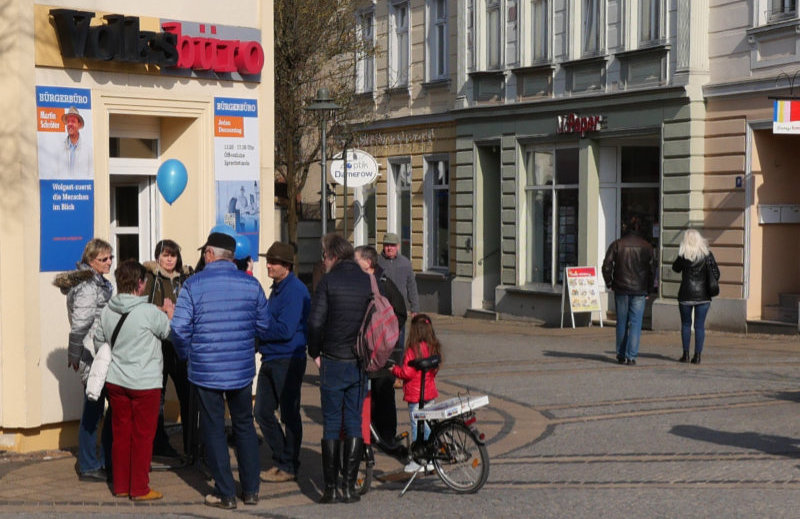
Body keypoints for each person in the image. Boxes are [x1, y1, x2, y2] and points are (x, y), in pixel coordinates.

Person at [171, 232, 270, 509]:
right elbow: (265, 326)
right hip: (240, 368)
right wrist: (248, 345)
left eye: (205, 252)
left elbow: (178, 329)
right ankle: (250, 491)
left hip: (205, 369)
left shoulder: (193, 285)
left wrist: (186, 354)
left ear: (210, 255)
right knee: (244, 426)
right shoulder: (251, 285)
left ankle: (226, 493)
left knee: (214, 429)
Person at [94, 260, 172, 501]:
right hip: (145, 383)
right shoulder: (149, 312)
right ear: (140, 284)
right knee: (142, 436)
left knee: (121, 434)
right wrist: (169, 313)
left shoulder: (107, 310)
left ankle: (121, 485)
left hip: (116, 381)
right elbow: (167, 332)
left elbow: (99, 341)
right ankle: (139, 488)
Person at [307, 233, 372, 504]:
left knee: (332, 423)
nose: (323, 261)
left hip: (333, 360)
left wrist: (315, 351)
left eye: (324, 256)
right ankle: (348, 487)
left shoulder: (328, 282)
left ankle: (331, 489)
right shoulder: (365, 281)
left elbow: (315, 323)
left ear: (332, 255)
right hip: (358, 362)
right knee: (354, 422)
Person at [53, 238, 114, 482]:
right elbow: (81, 322)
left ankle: (103, 460)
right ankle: (90, 464)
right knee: (94, 408)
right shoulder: (89, 285)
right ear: (91, 261)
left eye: (111, 257)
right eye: (104, 259)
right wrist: (76, 352)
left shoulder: (95, 281)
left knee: (100, 406)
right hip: (93, 352)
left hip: (98, 349)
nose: (109, 262)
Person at [255, 241, 310, 483]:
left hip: (287, 358)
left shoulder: (295, 290)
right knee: (262, 411)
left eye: (273, 261)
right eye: (268, 260)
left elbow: (285, 329)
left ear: (286, 266)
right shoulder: (277, 288)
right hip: (272, 356)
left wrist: (258, 330)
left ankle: (288, 464)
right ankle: (282, 459)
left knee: (289, 414)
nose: (268, 265)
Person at [354, 245, 407, 454]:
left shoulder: (383, 283)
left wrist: (388, 336)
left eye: (356, 260)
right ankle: (370, 433)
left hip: (383, 352)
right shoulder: (360, 283)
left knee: (383, 393)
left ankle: (386, 436)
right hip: (365, 352)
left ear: (368, 262)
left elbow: (400, 311)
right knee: (368, 395)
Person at [143, 239, 191, 458]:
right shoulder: (150, 278)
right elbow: (141, 308)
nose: (170, 259)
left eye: (173, 255)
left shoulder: (186, 279)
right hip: (158, 345)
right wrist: (160, 310)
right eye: (165, 255)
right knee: (158, 396)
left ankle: (192, 442)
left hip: (179, 343)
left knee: (187, 394)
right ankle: (158, 443)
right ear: (158, 257)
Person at [601, 215, 657, 366]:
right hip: (640, 289)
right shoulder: (647, 247)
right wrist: (649, 289)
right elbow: (652, 270)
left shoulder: (617, 244)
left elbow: (606, 266)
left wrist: (610, 283)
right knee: (636, 323)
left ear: (626, 228)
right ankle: (631, 356)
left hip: (621, 288)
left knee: (622, 322)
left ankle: (620, 354)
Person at [391, 314, 441, 473]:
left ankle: (420, 459)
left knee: (417, 426)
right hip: (429, 393)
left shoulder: (413, 350)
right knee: (427, 426)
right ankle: (431, 458)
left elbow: (407, 372)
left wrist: (394, 370)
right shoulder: (433, 346)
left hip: (416, 395)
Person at [671, 229, 720, 365]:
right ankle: (697, 356)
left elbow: (675, 268)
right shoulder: (707, 255)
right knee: (699, 326)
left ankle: (685, 354)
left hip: (686, 294)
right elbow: (717, 273)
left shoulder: (683, 256)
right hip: (703, 295)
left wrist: (681, 256)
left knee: (686, 324)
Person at [377, 232, 419, 318]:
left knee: (400, 331)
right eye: (387, 245)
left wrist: (415, 308)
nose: (389, 248)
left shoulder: (405, 263)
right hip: (381, 308)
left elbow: (412, 287)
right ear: (383, 246)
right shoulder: (377, 262)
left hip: (400, 308)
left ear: (398, 246)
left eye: (392, 245)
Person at [57, 106, 92, 179]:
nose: (70, 124)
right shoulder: (59, 149)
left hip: (81, 190)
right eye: (68, 121)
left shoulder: (88, 150)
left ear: (79, 125)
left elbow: (90, 176)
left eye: (73, 121)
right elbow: (57, 175)